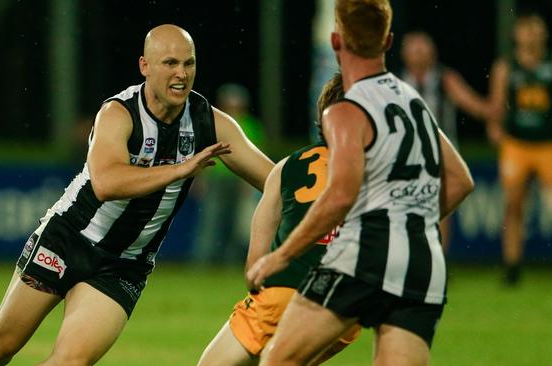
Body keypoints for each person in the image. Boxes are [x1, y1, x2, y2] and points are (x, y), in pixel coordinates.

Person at [0, 24, 274, 366]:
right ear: (145, 66)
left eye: (189, 64)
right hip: (68, 239)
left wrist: (316, 188)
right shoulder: (119, 113)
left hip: (124, 264)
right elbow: (106, 183)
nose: (181, 74)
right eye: (170, 63)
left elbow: (273, 179)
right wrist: (178, 169)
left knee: (71, 362)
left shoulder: (209, 123)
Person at [246, 1, 475, 365]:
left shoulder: (345, 109)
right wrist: (409, 223)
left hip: (363, 257)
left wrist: (281, 255)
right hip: (421, 264)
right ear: (388, 42)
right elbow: (461, 181)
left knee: (279, 359)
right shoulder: (414, 102)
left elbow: (339, 196)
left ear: (336, 42)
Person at [197, 73, 361, 366]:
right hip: (348, 309)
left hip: (286, 294)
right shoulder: (383, 174)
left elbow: (254, 271)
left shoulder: (287, 168)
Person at [486, 11, 552, 286]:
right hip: (517, 144)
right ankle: (512, 268)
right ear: (516, 34)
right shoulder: (505, 67)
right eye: (525, 29)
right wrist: (494, 129)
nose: (530, 34)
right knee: (513, 205)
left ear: (544, 34)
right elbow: (496, 106)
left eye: (535, 29)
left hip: (550, 145)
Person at [401, 30, 492, 252]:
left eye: (424, 48)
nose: (420, 54)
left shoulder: (444, 79)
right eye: (415, 49)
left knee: (440, 208)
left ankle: (438, 259)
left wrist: (496, 116)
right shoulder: (397, 81)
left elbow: (472, 103)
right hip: (406, 155)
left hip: (441, 154)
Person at [194, 83, 266, 264]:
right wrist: (200, 178)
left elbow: (257, 154)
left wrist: (250, 183)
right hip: (216, 179)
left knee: (237, 225)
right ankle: (203, 261)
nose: (233, 106)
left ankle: (231, 262)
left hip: (241, 179)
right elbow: (202, 151)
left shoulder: (251, 125)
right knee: (211, 221)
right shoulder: (215, 121)